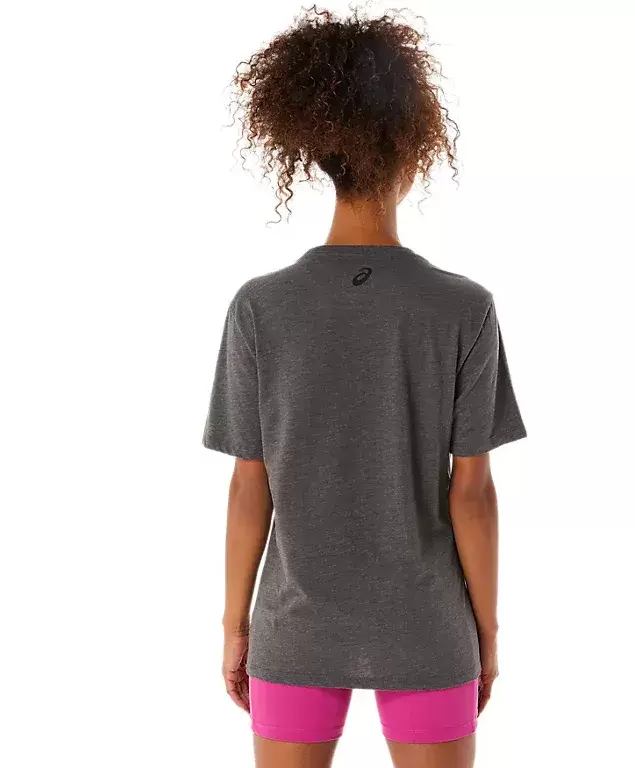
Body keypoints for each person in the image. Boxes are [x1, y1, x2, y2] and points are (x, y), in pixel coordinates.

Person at [204, 9, 525, 768]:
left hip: (293, 626)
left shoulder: (260, 307)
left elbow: (250, 484)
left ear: (317, 153)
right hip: (428, 627)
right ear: (414, 147)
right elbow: (472, 491)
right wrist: (486, 631)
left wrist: (234, 625)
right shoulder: (462, 308)